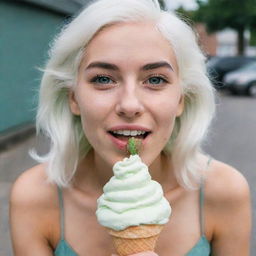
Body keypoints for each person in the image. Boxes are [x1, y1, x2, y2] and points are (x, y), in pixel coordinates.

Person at [9, 0, 251, 255]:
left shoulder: (223, 192)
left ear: (181, 98)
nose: (129, 105)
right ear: (73, 97)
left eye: (155, 79)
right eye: (103, 79)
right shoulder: (35, 198)